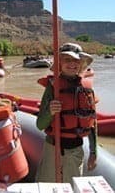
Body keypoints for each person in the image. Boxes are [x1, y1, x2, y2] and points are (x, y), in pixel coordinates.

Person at [35, 43, 97, 185]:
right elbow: (39, 125)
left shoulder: (87, 88)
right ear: (59, 63)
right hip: (53, 148)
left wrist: (93, 152)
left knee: (71, 186)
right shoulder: (52, 86)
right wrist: (50, 112)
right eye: (67, 60)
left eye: (76, 60)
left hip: (76, 151)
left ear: (81, 64)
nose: (72, 64)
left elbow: (92, 121)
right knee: (48, 186)